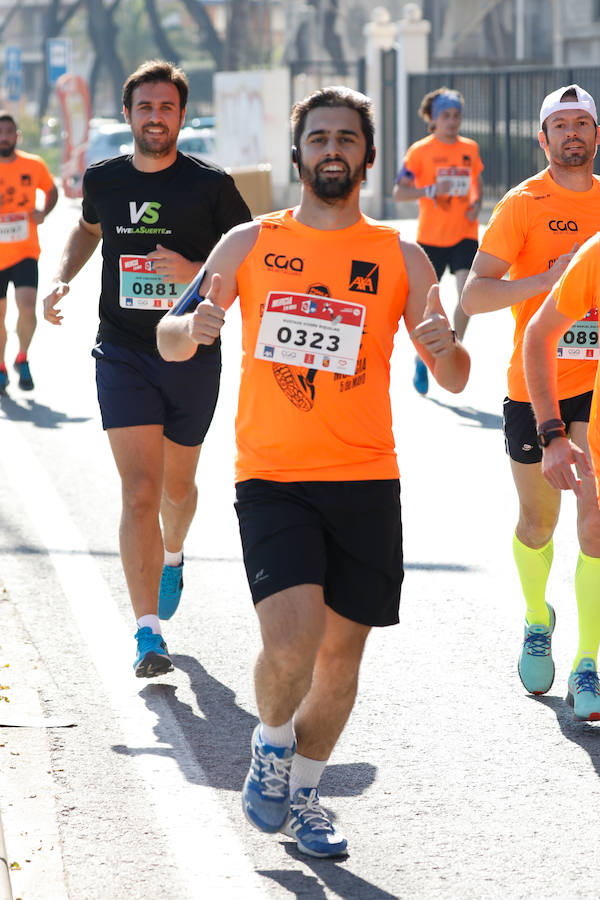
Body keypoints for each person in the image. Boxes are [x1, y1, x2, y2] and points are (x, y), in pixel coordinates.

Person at [157, 86, 470, 857]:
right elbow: (167, 336)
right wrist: (189, 326)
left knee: (340, 660)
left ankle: (305, 798)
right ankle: (270, 744)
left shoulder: (401, 256)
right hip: (274, 477)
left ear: (366, 153)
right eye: (320, 136)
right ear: (299, 152)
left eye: (347, 138)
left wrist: (444, 346)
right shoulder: (249, 243)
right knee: (293, 645)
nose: (333, 148)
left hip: (367, 480)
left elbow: (457, 376)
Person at [42, 60, 251, 677]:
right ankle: (146, 633)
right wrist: (58, 279)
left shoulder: (212, 185)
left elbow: (248, 264)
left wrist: (193, 275)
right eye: (145, 107)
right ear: (128, 114)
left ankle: (175, 551)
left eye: (167, 107)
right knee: (138, 491)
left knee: (175, 491)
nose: (155, 117)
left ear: (181, 116)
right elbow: (87, 231)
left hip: (189, 351)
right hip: (124, 350)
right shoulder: (103, 177)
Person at [461, 84, 600, 720]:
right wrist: (553, 280)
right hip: (535, 382)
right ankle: (538, 617)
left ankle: (589, 660)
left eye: (582, 123)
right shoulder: (524, 204)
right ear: (542, 139)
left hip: (596, 387)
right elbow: (475, 296)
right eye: (560, 125)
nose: (572, 134)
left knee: (595, 523)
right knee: (539, 522)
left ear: (596, 136)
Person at [523, 236, 600, 720]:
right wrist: (551, 432)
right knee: (547, 524)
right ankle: (583, 658)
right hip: (557, 403)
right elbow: (539, 334)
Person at [392, 87, 483, 395]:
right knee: (426, 305)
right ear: (433, 118)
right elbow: (399, 192)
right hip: (431, 238)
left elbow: (476, 184)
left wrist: (476, 202)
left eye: (456, 115)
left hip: (464, 234)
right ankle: (423, 356)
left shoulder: (470, 147)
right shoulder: (420, 151)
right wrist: (431, 190)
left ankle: (451, 347)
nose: (452, 121)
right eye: (446, 115)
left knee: (467, 296)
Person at [0, 111, 58, 392]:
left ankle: (22, 357)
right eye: (0, 132)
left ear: (17, 135)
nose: (4, 137)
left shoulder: (33, 165)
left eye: (9, 131)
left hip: (25, 251)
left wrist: (42, 211)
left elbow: (52, 190)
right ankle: (0, 365)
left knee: (26, 307)